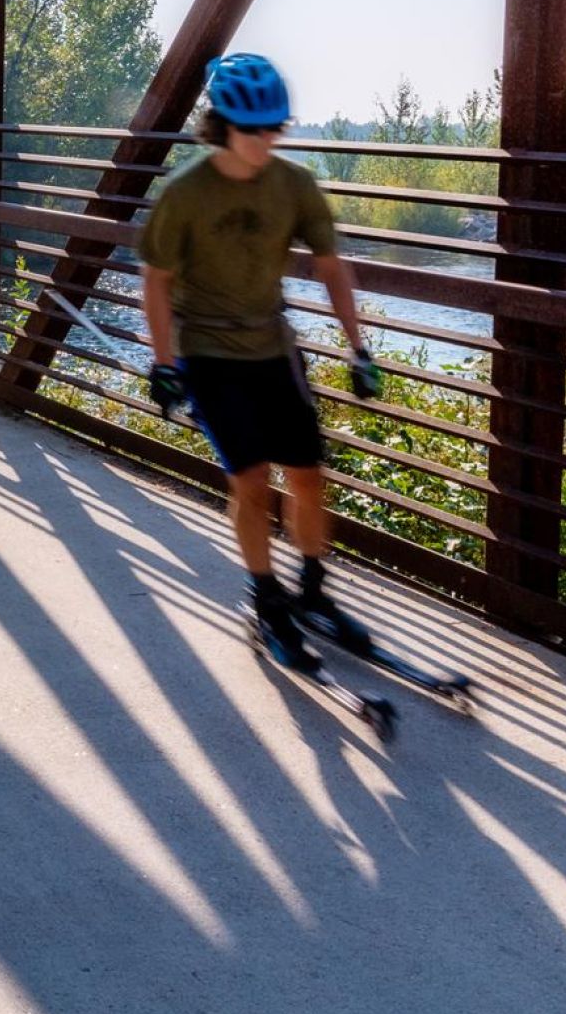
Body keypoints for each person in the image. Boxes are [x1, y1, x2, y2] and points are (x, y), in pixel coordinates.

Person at [139, 53, 383, 673]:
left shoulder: (294, 185)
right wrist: (164, 363)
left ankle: (312, 592)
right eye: (253, 129)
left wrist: (359, 348)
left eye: (275, 127)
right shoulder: (185, 194)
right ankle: (265, 595)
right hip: (210, 355)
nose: (265, 140)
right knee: (250, 482)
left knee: (308, 475)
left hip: (274, 347)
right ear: (221, 123)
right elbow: (157, 282)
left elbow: (331, 267)